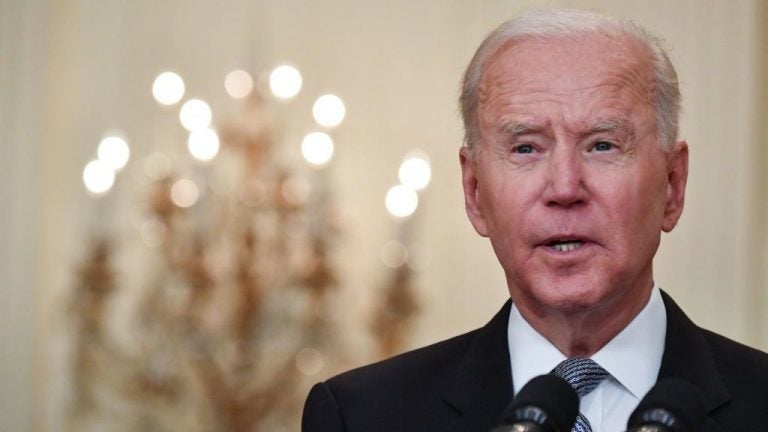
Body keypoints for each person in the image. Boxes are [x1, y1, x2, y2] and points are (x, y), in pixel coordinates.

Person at [302, 9, 768, 432]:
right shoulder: (361, 415)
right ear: (475, 192)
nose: (565, 188)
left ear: (672, 184)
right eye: (526, 147)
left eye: (602, 145)